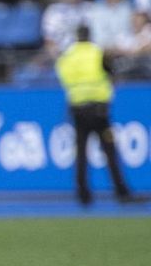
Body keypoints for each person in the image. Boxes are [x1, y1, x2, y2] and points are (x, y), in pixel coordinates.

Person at [54, 25, 138, 207]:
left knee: (81, 153)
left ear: (76, 37)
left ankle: (83, 195)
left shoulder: (68, 56)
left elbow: (63, 76)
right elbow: (111, 72)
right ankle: (121, 192)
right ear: (89, 35)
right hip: (99, 109)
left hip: (77, 108)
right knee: (109, 151)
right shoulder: (97, 52)